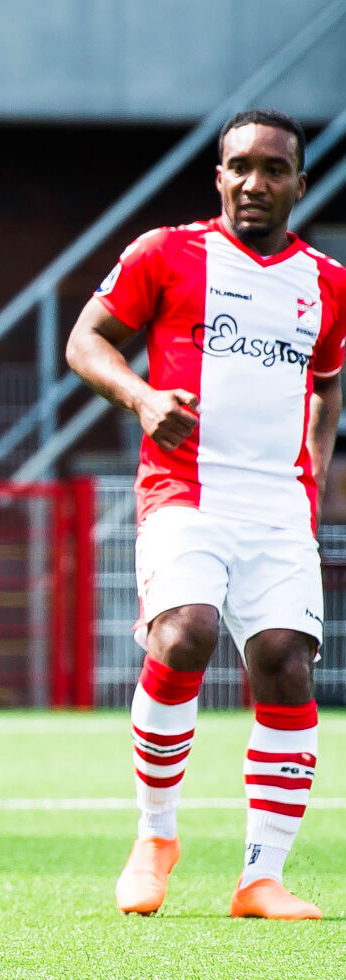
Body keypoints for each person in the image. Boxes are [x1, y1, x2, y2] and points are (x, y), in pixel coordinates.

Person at [64, 108, 345, 922]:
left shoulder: (328, 283)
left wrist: (314, 471)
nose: (254, 182)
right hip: (183, 491)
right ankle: (155, 835)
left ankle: (262, 876)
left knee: (285, 661)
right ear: (218, 176)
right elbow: (86, 342)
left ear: (300, 183)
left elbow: (328, 384)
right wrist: (143, 398)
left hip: (279, 505)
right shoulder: (166, 253)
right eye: (239, 166)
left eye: (273, 168)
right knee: (185, 632)